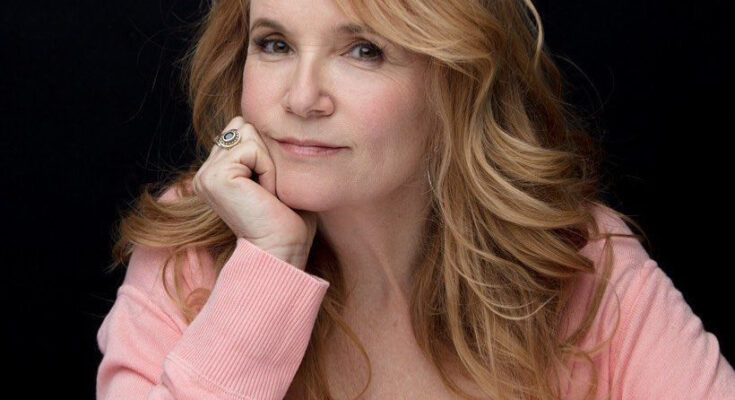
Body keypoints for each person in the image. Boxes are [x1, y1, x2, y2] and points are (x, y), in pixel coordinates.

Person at [95, 0, 735, 398]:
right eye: (275, 44)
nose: (302, 97)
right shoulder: (187, 254)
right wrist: (267, 264)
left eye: (364, 50)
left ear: (455, 81)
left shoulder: (581, 260)